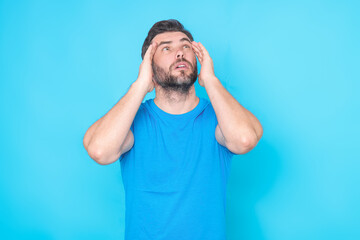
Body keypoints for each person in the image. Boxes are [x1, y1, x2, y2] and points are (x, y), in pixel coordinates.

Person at [83, 19, 263, 240]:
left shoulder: (219, 118)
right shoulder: (131, 121)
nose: (180, 53)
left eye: (186, 46)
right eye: (166, 48)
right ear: (148, 64)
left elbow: (244, 139)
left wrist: (210, 80)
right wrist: (140, 85)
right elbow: (99, 150)